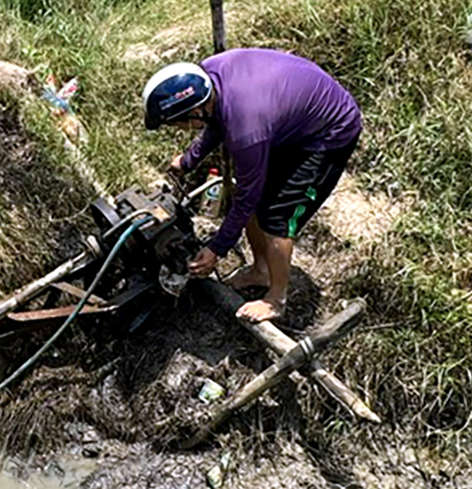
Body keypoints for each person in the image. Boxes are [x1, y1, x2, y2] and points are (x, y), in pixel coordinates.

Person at [143, 49, 363, 323]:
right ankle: (261, 271)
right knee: (258, 203)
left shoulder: (246, 130)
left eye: (176, 123)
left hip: (329, 132)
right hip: (292, 120)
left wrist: (217, 249)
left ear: (194, 112)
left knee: (277, 219)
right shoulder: (208, 79)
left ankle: (276, 300)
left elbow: (247, 198)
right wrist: (189, 160)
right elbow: (216, 120)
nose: (178, 129)